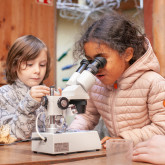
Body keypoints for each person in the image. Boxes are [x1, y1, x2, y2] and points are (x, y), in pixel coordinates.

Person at [69, 11, 165, 147]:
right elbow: (88, 115)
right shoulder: (96, 84)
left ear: (127, 54)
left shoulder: (154, 83)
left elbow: (162, 128)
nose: (96, 68)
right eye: (90, 60)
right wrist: (72, 133)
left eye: (100, 60)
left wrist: (124, 139)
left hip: (147, 154)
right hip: (119, 153)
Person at [0, 35, 51, 142]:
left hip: (45, 155)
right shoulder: (3, 95)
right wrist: (29, 104)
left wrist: (57, 107)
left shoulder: (48, 94)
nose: (37, 70)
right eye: (29, 64)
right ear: (14, 65)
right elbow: (11, 136)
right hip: (17, 157)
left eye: (42, 65)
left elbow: (57, 132)